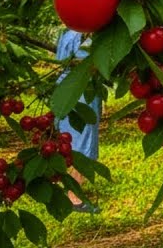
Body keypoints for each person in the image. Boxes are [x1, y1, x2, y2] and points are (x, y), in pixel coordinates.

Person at [55, 28, 102, 213]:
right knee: (80, 144)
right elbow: (88, 65)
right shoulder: (84, 35)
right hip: (80, 92)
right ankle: (73, 198)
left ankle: (68, 191)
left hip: (66, 91)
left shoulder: (67, 33)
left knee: (70, 141)